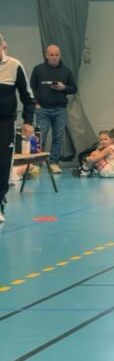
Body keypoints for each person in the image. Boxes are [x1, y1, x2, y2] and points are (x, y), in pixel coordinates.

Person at [0, 33, 36, 223]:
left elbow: (28, 97)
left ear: (3, 47)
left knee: (3, 163)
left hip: (5, 123)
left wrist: (28, 121)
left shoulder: (14, 65)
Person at [30, 44, 78, 174]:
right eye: (51, 55)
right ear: (46, 55)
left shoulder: (66, 71)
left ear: (60, 56)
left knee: (58, 137)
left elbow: (74, 88)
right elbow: (32, 87)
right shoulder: (38, 69)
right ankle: (36, 164)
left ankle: (54, 163)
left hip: (60, 109)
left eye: (56, 55)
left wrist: (64, 88)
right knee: (39, 137)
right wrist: (35, 103)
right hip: (42, 110)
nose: (54, 58)